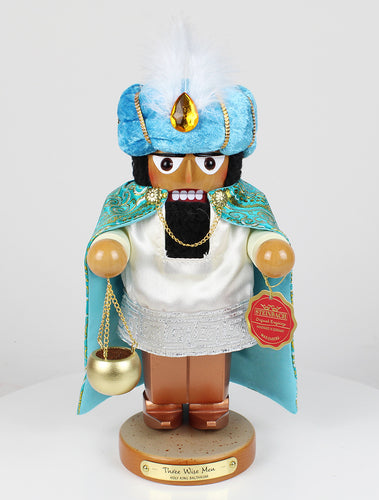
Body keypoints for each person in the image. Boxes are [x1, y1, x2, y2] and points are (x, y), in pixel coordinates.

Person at [78, 40, 297, 429]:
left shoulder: (240, 203)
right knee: (161, 361)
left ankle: (210, 403)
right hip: (156, 303)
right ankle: (160, 402)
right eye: (169, 163)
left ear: (229, 163)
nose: (190, 174)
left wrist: (269, 247)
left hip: (219, 303)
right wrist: (111, 246)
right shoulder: (134, 203)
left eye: (209, 162)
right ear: (146, 162)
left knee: (212, 362)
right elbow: (117, 231)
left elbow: (256, 231)